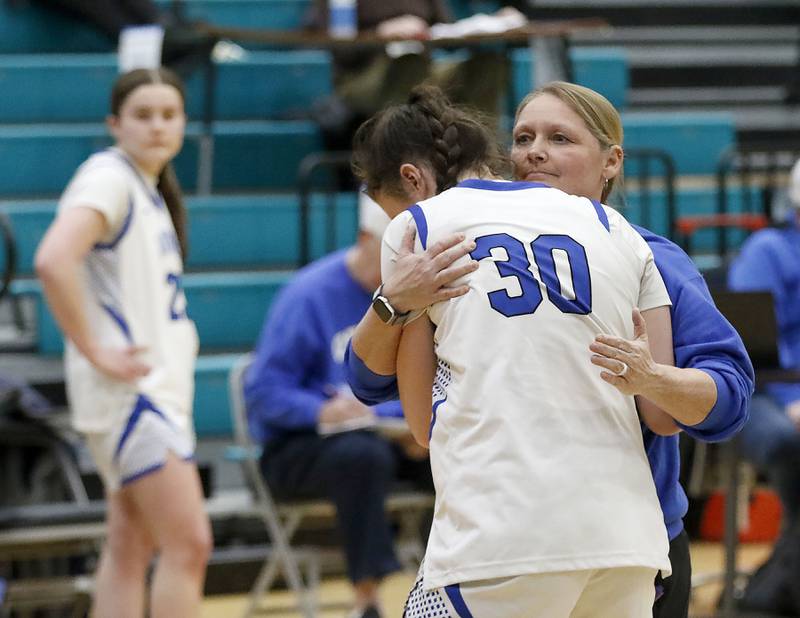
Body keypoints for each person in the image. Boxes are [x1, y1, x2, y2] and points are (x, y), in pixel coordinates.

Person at [347, 81, 754, 617]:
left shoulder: (649, 253)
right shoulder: (614, 243)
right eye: (522, 137)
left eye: (560, 138)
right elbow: (369, 379)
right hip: (621, 546)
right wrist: (394, 303)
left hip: (545, 536)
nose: (535, 151)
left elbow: (727, 399)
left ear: (611, 163)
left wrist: (654, 377)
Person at [34, 67, 211, 618]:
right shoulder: (108, 177)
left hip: (143, 393)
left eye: (168, 114)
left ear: (183, 123)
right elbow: (52, 260)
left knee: (130, 545)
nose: (157, 126)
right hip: (132, 394)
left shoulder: (145, 187)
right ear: (114, 123)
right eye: (142, 115)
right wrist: (95, 350)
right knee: (190, 544)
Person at [243, 194, 433, 618]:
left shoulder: (416, 299)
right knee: (360, 456)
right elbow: (265, 391)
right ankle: (368, 600)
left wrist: (396, 422)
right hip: (301, 446)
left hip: (388, 439)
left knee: (449, 447)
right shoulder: (309, 294)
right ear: (366, 239)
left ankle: (450, 583)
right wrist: (319, 411)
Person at [726, 158, 800, 615]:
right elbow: (751, 345)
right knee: (792, 444)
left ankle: (774, 583)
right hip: (766, 391)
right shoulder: (767, 251)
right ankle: (774, 592)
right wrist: (794, 400)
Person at [305, 0, 516, 151]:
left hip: (425, 66)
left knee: (488, 65)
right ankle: (401, 158)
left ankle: (484, 159)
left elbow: (445, 32)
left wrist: (490, 23)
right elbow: (342, 48)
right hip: (361, 76)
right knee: (409, 63)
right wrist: (380, 31)